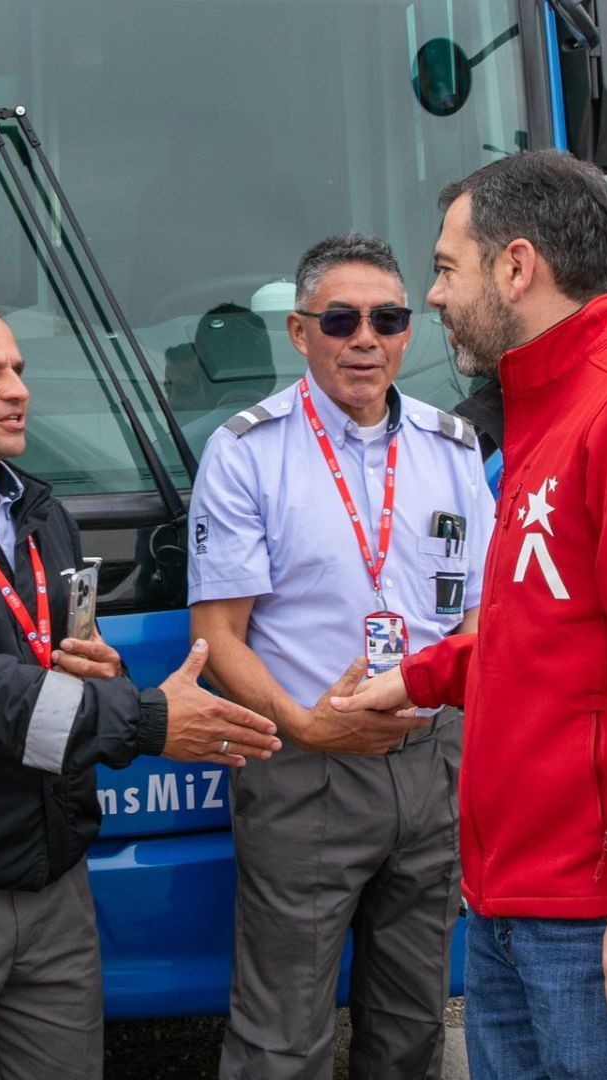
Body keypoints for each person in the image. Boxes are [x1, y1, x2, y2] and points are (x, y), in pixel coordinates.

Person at [334, 150, 607, 1079]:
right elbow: (547, 638)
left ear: (516, 267)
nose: (434, 297)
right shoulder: (551, 408)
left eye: (446, 268)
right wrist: (416, 678)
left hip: (604, 911)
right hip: (520, 901)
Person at [0, 283, 283, 1080]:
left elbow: (57, 659)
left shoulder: (42, 514)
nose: (18, 390)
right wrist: (144, 719)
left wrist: (107, 672)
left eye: (18, 369)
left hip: (52, 889)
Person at [188, 233, 495, 1080]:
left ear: (407, 332)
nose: (365, 339)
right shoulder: (247, 451)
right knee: (282, 1034)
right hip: (305, 766)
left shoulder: (453, 448)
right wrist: (305, 725)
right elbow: (217, 637)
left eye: (387, 320)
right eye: (341, 320)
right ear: (300, 332)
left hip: (432, 764)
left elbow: (482, 614)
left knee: (413, 1022)